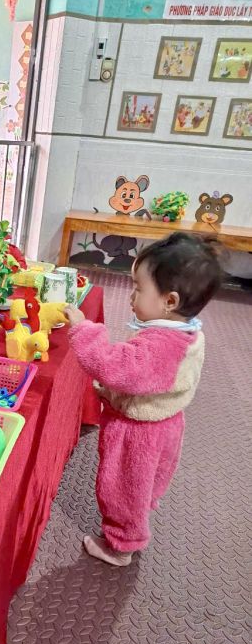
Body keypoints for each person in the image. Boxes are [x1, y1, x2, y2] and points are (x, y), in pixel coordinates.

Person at [64, 233, 223, 566]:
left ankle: (122, 545)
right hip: (166, 424)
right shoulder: (187, 330)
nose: (131, 296)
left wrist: (84, 330)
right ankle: (136, 513)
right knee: (143, 482)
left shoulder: (161, 345)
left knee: (123, 488)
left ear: (170, 301)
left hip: (139, 433)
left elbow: (115, 367)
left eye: (138, 288)